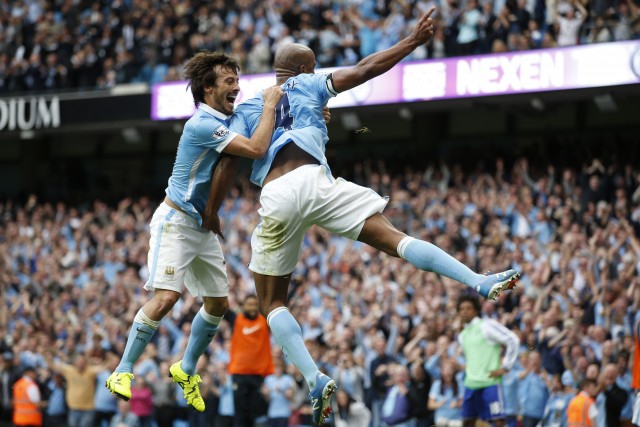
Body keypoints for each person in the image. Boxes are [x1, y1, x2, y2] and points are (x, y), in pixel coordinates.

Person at [212, 5, 520, 425]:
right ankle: (478, 280)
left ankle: (314, 377)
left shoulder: (249, 108)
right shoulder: (310, 82)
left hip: (277, 193)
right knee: (395, 239)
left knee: (271, 302)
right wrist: (412, 41)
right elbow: (364, 69)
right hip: (316, 180)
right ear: (304, 67)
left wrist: (210, 211)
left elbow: (228, 164)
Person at [104, 51, 284, 413]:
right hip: (175, 222)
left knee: (218, 303)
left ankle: (186, 369)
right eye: (229, 81)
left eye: (238, 80)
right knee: (167, 297)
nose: (237, 86)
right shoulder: (201, 124)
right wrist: (268, 106)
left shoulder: (229, 116)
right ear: (208, 88)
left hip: (202, 226)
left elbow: (276, 110)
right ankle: (122, 370)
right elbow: (256, 147)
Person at [457, 295, 520, 427]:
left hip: (490, 383)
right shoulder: (462, 336)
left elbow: (513, 340)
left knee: (498, 421)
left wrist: (506, 367)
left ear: (476, 310)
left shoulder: (486, 326)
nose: (464, 311)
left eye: (468, 308)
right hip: (471, 384)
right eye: (462, 309)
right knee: (467, 421)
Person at [225, 295, 274, 427]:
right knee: (240, 414)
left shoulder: (264, 321)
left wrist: (294, 287)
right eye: (249, 304)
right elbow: (221, 307)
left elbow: (279, 307)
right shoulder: (236, 319)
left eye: (255, 304)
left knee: (254, 413)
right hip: (239, 374)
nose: (252, 307)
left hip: (257, 375)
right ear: (243, 306)